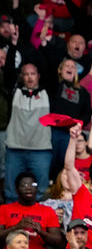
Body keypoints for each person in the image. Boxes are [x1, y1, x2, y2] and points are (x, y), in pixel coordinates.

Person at [6, 63, 53, 202]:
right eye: (26, 74)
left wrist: (46, 44)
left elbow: (50, 64)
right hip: (15, 149)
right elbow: (8, 74)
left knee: (40, 192)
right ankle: (10, 222)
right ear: (21, 77)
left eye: (33, 74)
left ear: (38, 76)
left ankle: (39, 221)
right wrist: (13, 46)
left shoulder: (48, 92)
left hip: (41, 149)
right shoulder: (15, 92)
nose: (29, 77)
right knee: (11, 193)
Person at [0, 172, 62, 249]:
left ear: (37, 188)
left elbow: (58, 241)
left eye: (33, 184)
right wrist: (16, 227)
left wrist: (41, 232)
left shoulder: (48, 211)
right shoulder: (4, 209)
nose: (28, 187)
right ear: (16, 190)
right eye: (24, 185)